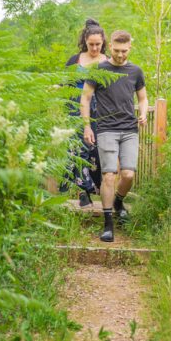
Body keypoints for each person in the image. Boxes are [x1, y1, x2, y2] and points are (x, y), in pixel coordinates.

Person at [80, 30, 148, 242]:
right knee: (109, 175)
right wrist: (87, 127)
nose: (120, 55)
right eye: (117, 51)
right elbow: (85, 98)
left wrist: (143, 113)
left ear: (130, 48)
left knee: (128, 175)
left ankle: (118, 201)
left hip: (129, 129)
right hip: (106, 128)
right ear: (110, 47)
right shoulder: (99, 70)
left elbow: (143, 98)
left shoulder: (135, 71)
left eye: (124, 51)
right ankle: (108, 223)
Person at [60, 18, 108, 207]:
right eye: (91, 44)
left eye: (98, 44)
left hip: (100, 111)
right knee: (77, 149)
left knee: (95, 149)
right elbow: (65, 82)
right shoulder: (75, 60)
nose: (95, 48)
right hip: (75, 109)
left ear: (103, 42)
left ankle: (95, 189)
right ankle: (83, 191)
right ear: (85, 42)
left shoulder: (108, 61)